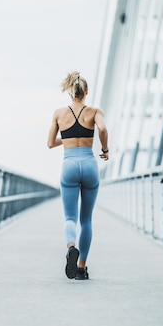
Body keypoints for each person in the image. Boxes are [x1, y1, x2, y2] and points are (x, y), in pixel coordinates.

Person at [47, 71, 109, 280]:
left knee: (70, 217)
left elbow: (49, 143)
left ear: (71, 92)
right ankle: (81, 268)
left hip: (69, 164)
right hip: (90, 164)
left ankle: (71, 246)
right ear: (86, 92)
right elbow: (103, 129)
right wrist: (105, 149)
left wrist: (68, 139)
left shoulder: (59, 114)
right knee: (87, 219)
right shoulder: (94, 111)